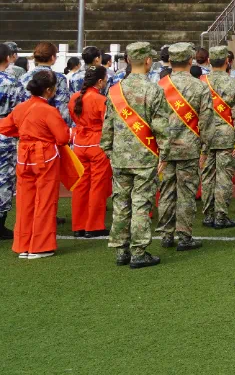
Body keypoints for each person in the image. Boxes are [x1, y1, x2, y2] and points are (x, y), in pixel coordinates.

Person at [100, 42, 169, 268]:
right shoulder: (153, 90)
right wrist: (164, 154)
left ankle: (121, 250)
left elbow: (107, 126)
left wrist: (108, 150)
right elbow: (161, 127)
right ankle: (138, 251)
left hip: (120, 156)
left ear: (129, 60)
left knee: (121, 202)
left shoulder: (114, 90)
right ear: (148, 61)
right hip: (145, 157)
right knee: (141, 203)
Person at [0, 69, 70, 259]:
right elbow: (63, 138)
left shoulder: (20, 108)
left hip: (24, 156)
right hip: (45, 157)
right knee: (45, 201)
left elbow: (5, 127)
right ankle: (40, 246)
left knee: (24, 201)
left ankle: (23, 245)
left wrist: (24, 134)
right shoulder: (49, 110)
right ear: (48, 90)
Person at [156, 43, 213, 252]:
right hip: (189, 148)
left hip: (164, 149)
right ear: (191, 60)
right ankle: (184, 236)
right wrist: (205, 149)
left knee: (166, 192)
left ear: (170, 61)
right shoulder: (200, 86)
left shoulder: (159, 86)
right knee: (186, 193)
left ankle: (166, 234)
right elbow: (207, 122)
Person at [200, 46, 235, 230]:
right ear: (227, 62)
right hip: (227, 135)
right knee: (224, 177)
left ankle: (208, 214)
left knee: (207, 176)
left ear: (209, 61)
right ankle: (220, 216)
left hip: (205, 136)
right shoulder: (234, 84)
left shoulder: (200, 82)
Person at [68, 65, 112, 238]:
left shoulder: (74, 98)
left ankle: (78, 225)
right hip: (97, 145)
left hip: (80, 144)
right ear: (100, 81)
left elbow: (74, 118)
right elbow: (108, 125)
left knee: (80, 186)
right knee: (97, 186)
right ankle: (93, 226)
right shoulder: (100, 100)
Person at [19, 42, 75, 129]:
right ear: (52, 57)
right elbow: (62, 109)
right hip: (48, 126)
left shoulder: (23, 77)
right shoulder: (59, 78)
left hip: (26, 126)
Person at [0, 43, 21, 240]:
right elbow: (20, 110)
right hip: (5, 134)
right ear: (8, 58)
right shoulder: (11, 82)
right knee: (4, 179)